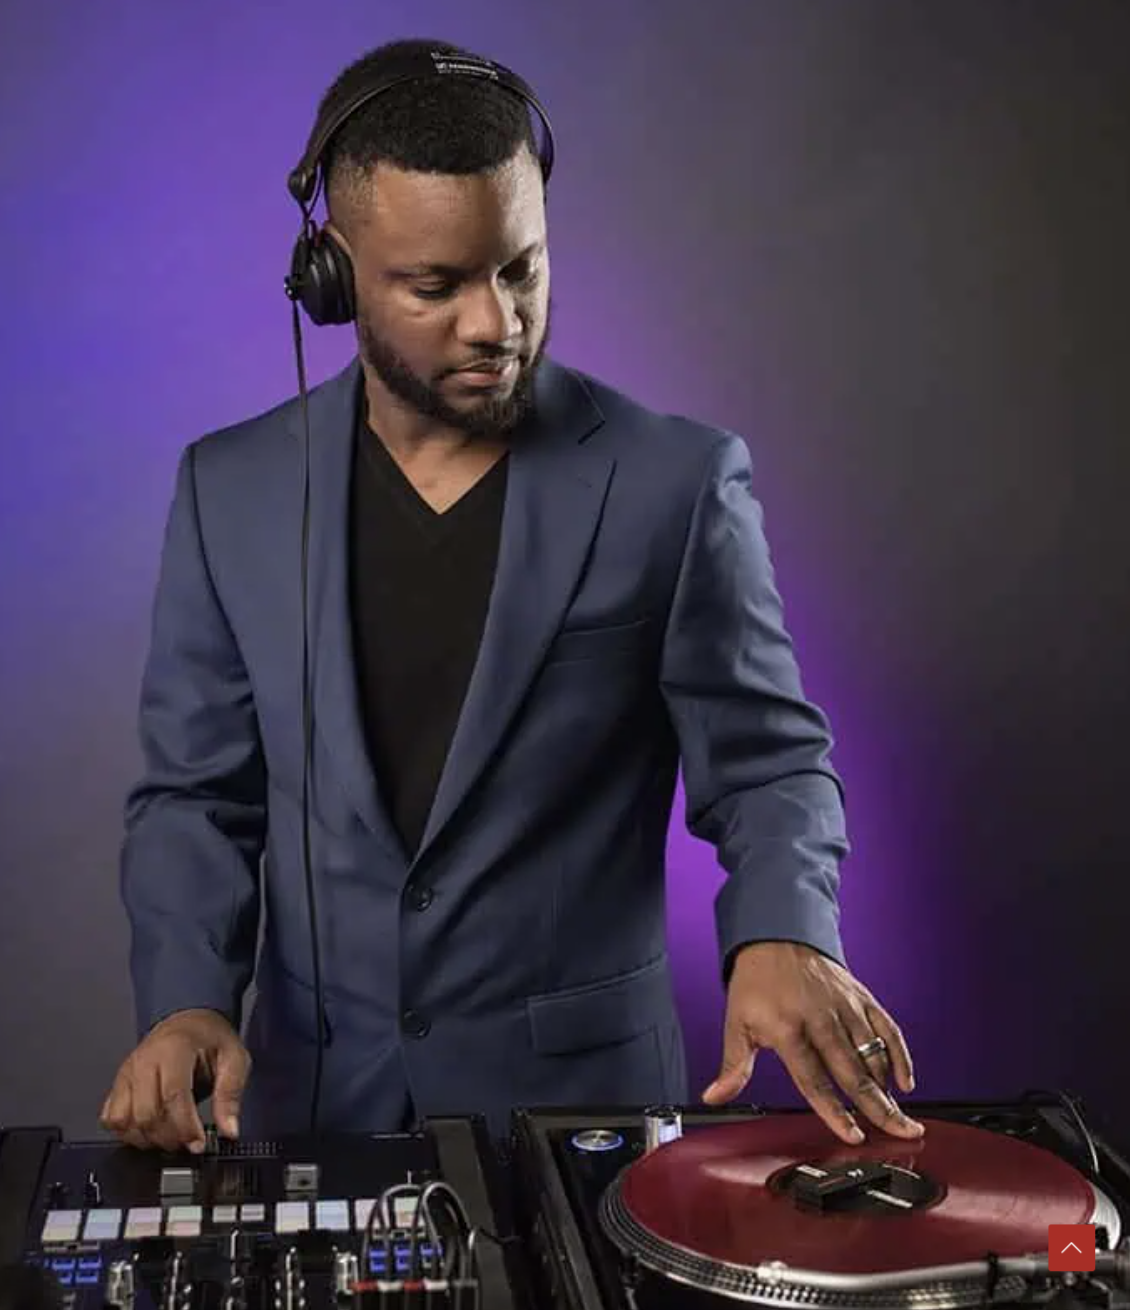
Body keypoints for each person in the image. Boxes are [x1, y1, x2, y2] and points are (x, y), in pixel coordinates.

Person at [100, 37, 922, 1153]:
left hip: (583, 1122)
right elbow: (196, 797)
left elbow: (770, 763)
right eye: (435, 285)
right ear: (332, 275)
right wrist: (185, 999)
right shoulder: (226, 489)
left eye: (520, 268)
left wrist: (783, 928)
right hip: (313, 1112)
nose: (495, 324)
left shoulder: (676, 481)